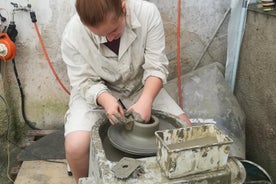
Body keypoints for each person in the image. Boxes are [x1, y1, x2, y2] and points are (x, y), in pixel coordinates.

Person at [61, 0, 191, 182]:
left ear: (123, 8)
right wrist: (105, 99)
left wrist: (146, 100)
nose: (109, 39)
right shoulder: (73, 33)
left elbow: (156, 67)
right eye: (100, 35)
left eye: (113, 30)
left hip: (140, 85)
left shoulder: (147, 13)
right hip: (95, 90)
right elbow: (83, 80)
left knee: (186, 133)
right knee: (76, 146)